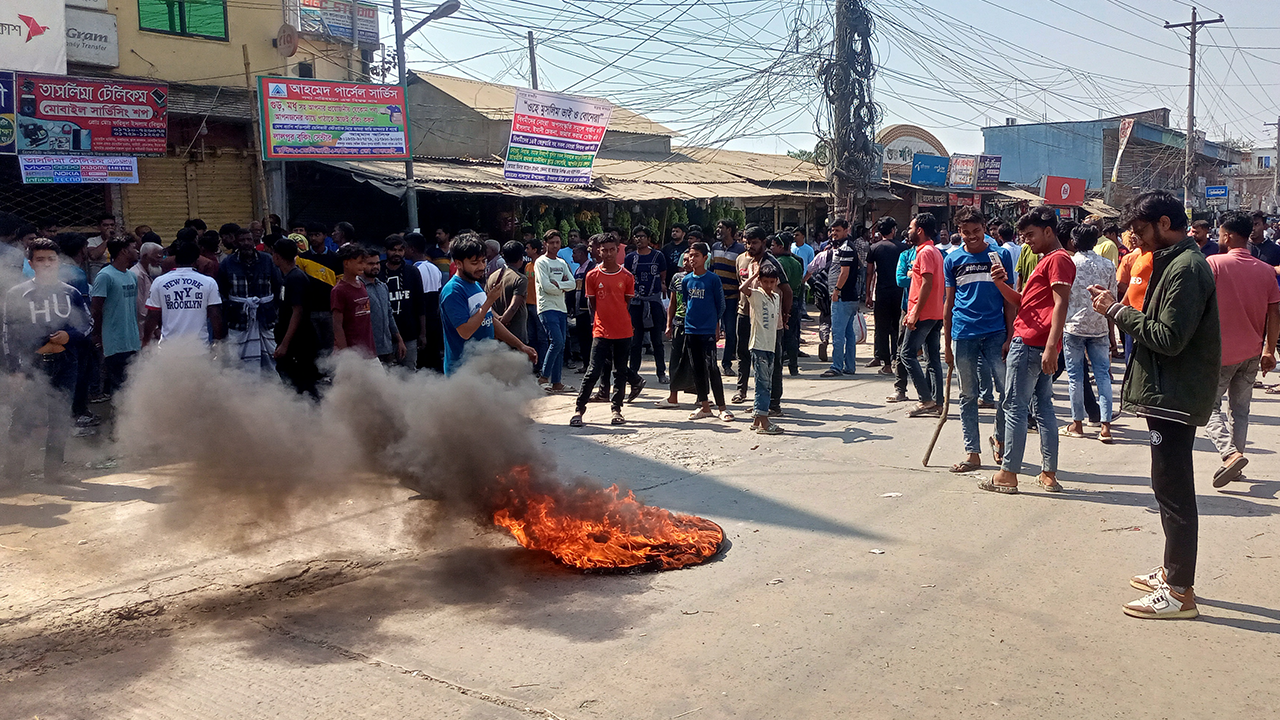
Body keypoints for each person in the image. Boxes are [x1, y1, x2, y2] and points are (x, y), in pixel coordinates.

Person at [1084, 191, 1220, 620]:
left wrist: (1117, 312)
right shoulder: (1173, 262)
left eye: (1140, 232)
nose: (1135, 242)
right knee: (1166, 486)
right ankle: (1172, 571)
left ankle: (1180, 592)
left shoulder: (1186, 268)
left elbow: (1169, 338)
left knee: (1174, 491)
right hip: (1169, 392)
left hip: (1175, 394)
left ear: (1164, 223)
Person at [982, 207, 1074, 494]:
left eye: (1031, 235)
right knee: (1043, 408)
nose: (1027, 241)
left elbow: (1061, 304)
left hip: (1032, 344)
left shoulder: (1057, 260)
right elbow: (1025, 303)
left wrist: (1051, 348)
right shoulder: (1048, 260)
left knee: (1014, 407)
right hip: (1038, 343)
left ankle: (1008, 473)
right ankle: (1048, 473)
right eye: (1023, 236)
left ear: (1049, 231)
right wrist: (1000, 283)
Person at [3, 239, 91, 484]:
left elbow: (87, 324)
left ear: (58, 262)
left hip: (66, 363)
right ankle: (12, 475)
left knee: (60, 418)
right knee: (22, 419)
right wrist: (14, 369)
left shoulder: (70, 292)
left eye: (51, 259)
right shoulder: (17, 294)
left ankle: (54, 473)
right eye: (40, 260)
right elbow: (9, 335)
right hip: (31, 365)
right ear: (30, 263)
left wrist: (68, 336)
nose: (47, 264)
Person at [1201, 211, 1279, 487]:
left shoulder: (1214, 264)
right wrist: (1269, 350)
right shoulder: (1267, 271)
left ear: (1228, 235)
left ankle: (1230, 454)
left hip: (1219, 352)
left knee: (1207, 405)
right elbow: (1274, 314)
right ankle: (1237, 461)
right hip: (1252, 352)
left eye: (1221, 233)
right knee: (1240, 410)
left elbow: (1200, 305)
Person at [943, 207, 1014, 473]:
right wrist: (946, 343)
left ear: (985, 228)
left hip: (996, 333)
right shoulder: (952, 259)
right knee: (967, 396)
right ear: (958, 231)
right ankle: (972, 452)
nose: (972, 237)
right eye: (966, 232)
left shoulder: (1000, 255)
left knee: (1006, 393)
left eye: (976, 231)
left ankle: (1000, 437)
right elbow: (948, 302)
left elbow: (1010, 298)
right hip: (964, 333)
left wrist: (1010, 335)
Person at [440, 234, 537, 375]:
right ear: (458, 263)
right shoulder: (453, 291)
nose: (481, 267)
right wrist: (489, 301)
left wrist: (521, 346)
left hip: (485, 368)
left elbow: (490, 320)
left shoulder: (475, 285)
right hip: (462, 373)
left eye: (483, 261)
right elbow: (465, 332)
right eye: (475, 263)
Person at [571, 235, 641, 427]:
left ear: (618, 250)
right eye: (604, 250)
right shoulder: (592, 276)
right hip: (601, 331)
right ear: (598, 251)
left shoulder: (627, 276)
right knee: (593, 371)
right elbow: (592, 303)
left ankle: (616, 410)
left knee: (619, 372)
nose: (608, 254)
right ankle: (579, 410)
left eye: (612, 250)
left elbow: (626, 303)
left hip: (623, 331)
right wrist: (599, 321)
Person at [1061, 224, 1117, 443]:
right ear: (1095, 242)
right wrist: (1112, 332)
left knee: (1075, 377)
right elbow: (1112, 299)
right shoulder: (1108, 265)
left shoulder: (1069, 264)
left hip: (1073, 326)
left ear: (1073, 242)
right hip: (1099, 325)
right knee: (1102, 376)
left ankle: (1077, 424)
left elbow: (1061, 298)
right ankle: (1105, 427)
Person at [733, 227, 790, 414]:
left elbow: (788, 291)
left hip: (770, 322)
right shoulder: (745, 262)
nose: (750, 246)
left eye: (754, 242)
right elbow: (742, 287)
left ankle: (773, 403)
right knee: (748, 356)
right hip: (748, 316)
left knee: (772, 363)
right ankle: (749, 395)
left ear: (763, 243)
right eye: (747, 242)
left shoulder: (770, 264)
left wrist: (784, 316)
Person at [900, 214, 946, 417]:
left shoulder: (925, 252)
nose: (908, 231)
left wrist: (914, 313)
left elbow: (926, 283)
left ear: (919, 230)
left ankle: (925, 399)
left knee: (906, 353)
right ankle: (937, 401)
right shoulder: (934, 251)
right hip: (935, 312)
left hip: (925, 313)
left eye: (911, 227)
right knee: (932, 358)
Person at [217, 227, 281, 371]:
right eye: (242, 240)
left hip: (266, 317)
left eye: (249, 240)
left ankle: (272, 388)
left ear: (254, 241)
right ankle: (242, 389)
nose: (246, 243)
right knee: (235, 357)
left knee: (271, 356)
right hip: (237, 318)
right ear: (236, 243)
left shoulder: (267, 260)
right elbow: (221, 291)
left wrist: (273, 308)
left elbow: (277, 286)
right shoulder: (227, 263)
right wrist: (231, 307)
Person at [143, 240, 224, 352]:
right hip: (199, 349)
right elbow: (215, 315)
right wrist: (218, 344)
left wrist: (146, 342)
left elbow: (152, 315)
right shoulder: (209, 283)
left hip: (169, 349)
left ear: (175, 259)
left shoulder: (159, 282)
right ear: (197, 260)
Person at [89, 238, 141, 396]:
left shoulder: (132, 276)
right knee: (119, 387)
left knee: (133, 385)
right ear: (124, 251)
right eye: (133, 248)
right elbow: (96, 309)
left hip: (132, 340)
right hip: (114, 341)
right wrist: (98, 335)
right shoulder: (105, 276)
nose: (137, 251)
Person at [269, 238, 320, 396]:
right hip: (293, 340)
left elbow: (297, 312)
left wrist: (285, 344)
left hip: (300, 342)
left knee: (302, 384)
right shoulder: (287, 276)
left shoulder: (296, 278)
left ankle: (310, 416)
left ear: (277, 256)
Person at [740, 262, 784, 435]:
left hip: (770, 345)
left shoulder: (776, 297)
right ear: (760, 281)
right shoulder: (757, 295)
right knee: (763, 384)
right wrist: (754, 276)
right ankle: (763, 420)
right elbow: (743, 288)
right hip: (758, 345)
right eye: (765, 281)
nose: (768, 285)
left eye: (772, 282)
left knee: (766, 382)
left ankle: (758, 419)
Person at [624, 227, 669, 384]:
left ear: (648, 239)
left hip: (654, 302)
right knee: (635, 341)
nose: (639, 239)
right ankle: (633, 374)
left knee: (657, 340)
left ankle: (661, 373)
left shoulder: (658, 256)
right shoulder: (630, 258)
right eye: (636, 236)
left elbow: (662, 275)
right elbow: (627, 278)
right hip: (636, 303)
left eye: (642, 236)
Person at [537, 230, 579, 392]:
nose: (555, 245)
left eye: (557, 242)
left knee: (560, 345)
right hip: (547, 307)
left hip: (561, 308)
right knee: (557, 341)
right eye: (551, 242)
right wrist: (562, 287)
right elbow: (546, 287)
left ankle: (557, 382)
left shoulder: (561, 263)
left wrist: (558, 286)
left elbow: (573, 284)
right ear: (545, 244)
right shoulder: (541, 263)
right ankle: (543, 377)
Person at [821, 219, 864, 378]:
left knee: (838, 334)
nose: (834, 234)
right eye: (833, 231)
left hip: (843, 297)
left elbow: (844, 272)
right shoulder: (844, 247)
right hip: (849, 297)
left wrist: (836, 291)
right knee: (848, 334)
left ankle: (837, 366)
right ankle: (849, 366)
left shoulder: (846, 248)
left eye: (837, 230)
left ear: (847, 230)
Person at [865, 217, 903, 374]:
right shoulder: (903, 248)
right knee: (897, 328)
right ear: (893, 230)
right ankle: (897, 360)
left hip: (881, 292)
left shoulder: (874, 248)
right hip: (899, 291)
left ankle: (886, 364)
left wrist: (867, 294)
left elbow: (869, 273)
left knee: (882, 328)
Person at [380, 235, 424, 370]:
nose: (397, 253)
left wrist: (423, 333)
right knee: (386, 376)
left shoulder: (412, 272)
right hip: (384, 336)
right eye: (393, 250)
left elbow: (420, 304)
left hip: (409, 334)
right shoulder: (378, 271)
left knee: (409, 373)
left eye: (400, 250)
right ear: (385, 250)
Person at [711, 219, 745, 375]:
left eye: (721, 227)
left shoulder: (740, 250)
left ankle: (726, 364)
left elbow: (741, 274)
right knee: (710, 331)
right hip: (715, 296)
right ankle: (710, 363)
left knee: (731, 331)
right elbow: (712, 270)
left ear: (729, 230)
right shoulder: (715, 247)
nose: (718, 230)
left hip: (731, 297)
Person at [331, 244, 376, 357]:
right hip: (352, 353)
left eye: (364, 262)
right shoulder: (339, 290)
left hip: (368, 350)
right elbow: (337, 325)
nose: (364, 266)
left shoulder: (361, 284)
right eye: (360, 262)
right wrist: (346, 354)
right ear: (346, 263)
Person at [362, 247, 404, 365]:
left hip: (386, 348)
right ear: (361, 265)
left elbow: (389, 315)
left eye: (377, 263)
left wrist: (399, 340)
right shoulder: (358, 288)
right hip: (367, 352)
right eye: (370, 263)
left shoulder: (383, 287)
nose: (375, 266)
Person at [770, 235, 805, 376]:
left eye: (773, 245)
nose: (771, 248)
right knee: (792, 334)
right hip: (796, 300)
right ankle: (793, 365)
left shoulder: (778, 263)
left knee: (780, 334)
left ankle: (778, 364)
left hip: (783, 301)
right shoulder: (797, 262)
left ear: (780, 246)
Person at [486, 240, 529, 348]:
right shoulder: (520, 279)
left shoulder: (493, 276)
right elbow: (514, 306)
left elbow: (487, 303)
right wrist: (504, 321)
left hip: (496, 331)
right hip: (515, 331)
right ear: (521, 258)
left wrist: (498, 321)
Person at [86, 213, 116, 282]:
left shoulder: (118, 241)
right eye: (105, 225)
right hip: (98, 276)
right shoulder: (92, 241)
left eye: (112, 225)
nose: (109, 227)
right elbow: (93, 255)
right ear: (99, 227)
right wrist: (107, 239)